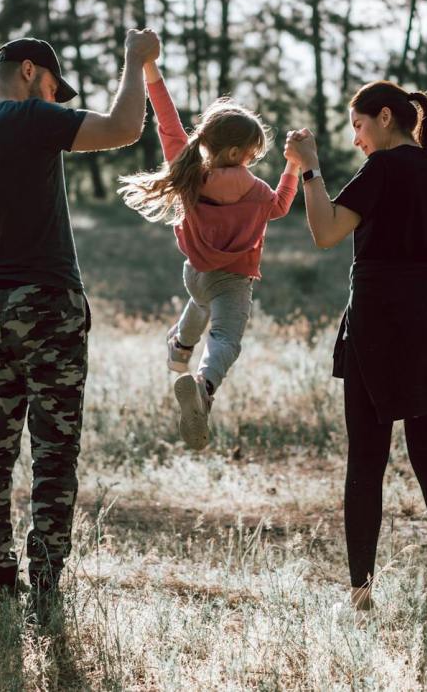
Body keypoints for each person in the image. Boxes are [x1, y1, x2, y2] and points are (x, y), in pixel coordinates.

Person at [0, 31, 160, 602]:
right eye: (55, 90)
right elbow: (125, 128)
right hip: (48, 304)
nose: (57, 103)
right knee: (54, 449)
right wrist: (136, 61)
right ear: (32, 71)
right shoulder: (31, 119)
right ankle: (45, 583)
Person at [284, 80, 427, 615]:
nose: (358, 141)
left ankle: (361, 596)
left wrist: (310, 168)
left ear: (385, 117)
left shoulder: (383, 169)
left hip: (378, 328)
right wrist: (425, 308)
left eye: (360, 127)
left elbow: (324, 232)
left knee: (366, 462)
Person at [119, 59, 298, 450]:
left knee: (199, 302)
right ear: (237, 151)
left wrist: (151, 70)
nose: (252, 160)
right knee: (224, 339)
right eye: (251, 153)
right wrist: (294, 165)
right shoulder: (258, 191)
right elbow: (282, 205)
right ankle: (203, 384)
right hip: (232, 281)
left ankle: (180, 346)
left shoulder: (189, 175)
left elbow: (168, 122)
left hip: (195, 274)